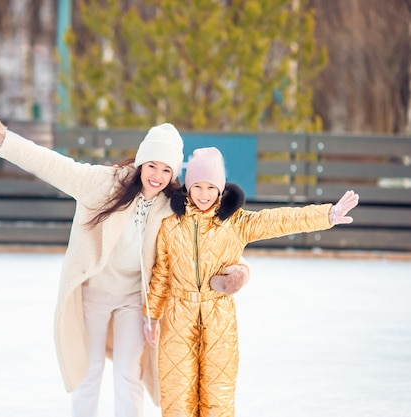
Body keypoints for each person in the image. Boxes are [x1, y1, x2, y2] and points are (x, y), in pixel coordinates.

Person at [0, 107, 250, 417]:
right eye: (152, 166)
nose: (157, 176)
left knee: (128, 376)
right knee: (88, 374)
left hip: (135, 301)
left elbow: (207, 236)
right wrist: (6, 140)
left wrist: (236, 268)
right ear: (141, 162)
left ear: (174, 174)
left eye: (166, 170)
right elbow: (54, 166)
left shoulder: (173, 208)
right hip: (95, 294)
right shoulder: (104, 183)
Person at [143, 147, 360, 417]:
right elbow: (162, 274)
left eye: (211, 187)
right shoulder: (171, 224)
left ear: (221, 188)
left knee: (217, 397)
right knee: (177, 397)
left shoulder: (236, 222)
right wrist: (152, 316)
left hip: (219, 319)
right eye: (197, 186)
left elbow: (278, 220)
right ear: (188, 187)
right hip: (176, 318)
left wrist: (327, 215)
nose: (204, 194)